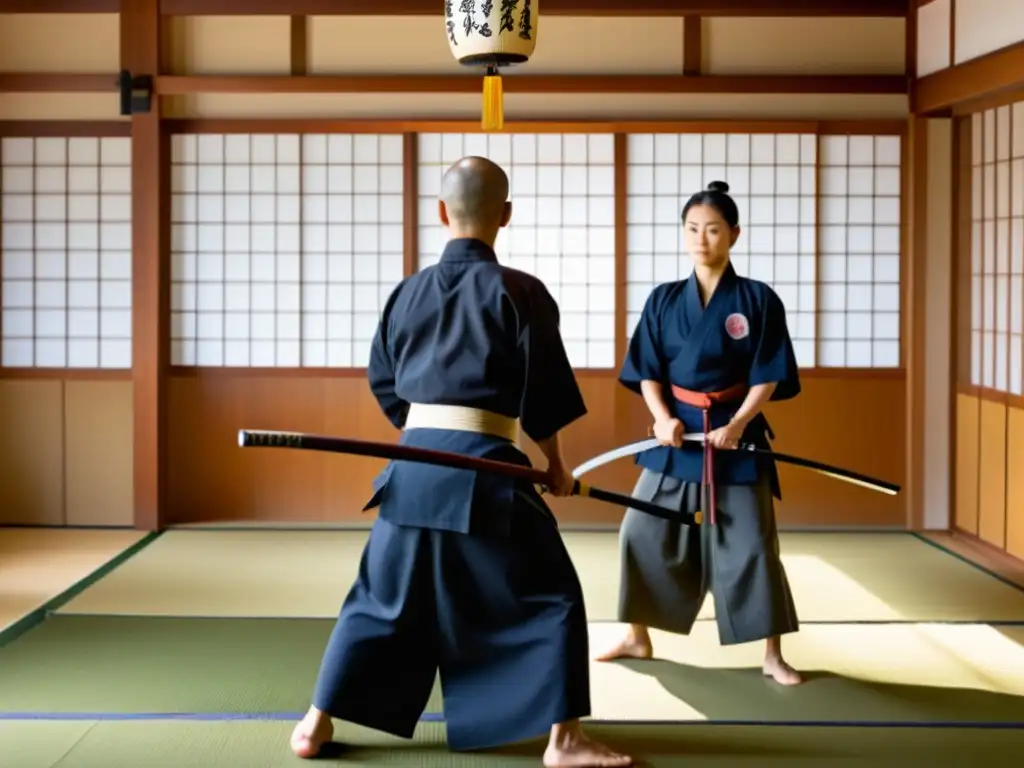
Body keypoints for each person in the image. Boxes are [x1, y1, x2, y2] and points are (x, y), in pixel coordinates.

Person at [290, 156, 633, 768]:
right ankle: (565, 740)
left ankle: (314, 724)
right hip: (488, 476)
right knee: (552, 594)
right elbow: (542, 394)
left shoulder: (408, 291)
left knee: (378, 595)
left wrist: (424, 434)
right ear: (505, 216)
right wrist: (554, 465)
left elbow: (385, 380)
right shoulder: (521, 292)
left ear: (442, 211)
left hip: (409, 472)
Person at [596, 180, 803, 686]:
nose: (701, 239)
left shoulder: (757, 299)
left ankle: (772, 654)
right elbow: (645, 369)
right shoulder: (664, 299)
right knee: (639, 532)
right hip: (676, 437)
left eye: (712, 229)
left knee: (753, 544)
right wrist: (662, 417)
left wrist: (738, 425)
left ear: (734, 233)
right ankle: (637, 634)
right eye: (692, 229)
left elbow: (768, 375)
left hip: (737, 436)